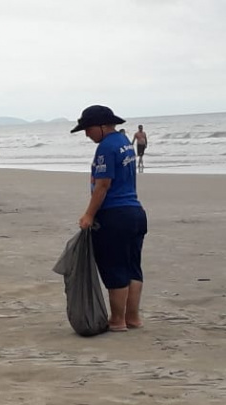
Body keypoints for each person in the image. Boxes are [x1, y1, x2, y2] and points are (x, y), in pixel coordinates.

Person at [71, 105, 147, 332]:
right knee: (132, 267)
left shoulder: (106, 147)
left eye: (88, 128)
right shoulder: (124, 142)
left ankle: (117, 320)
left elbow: (103, 185)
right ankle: (132, 317)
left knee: (114, 268)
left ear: (103, 126)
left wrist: (88, 214)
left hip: (114, 214)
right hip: (135, 213)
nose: (86, 134)